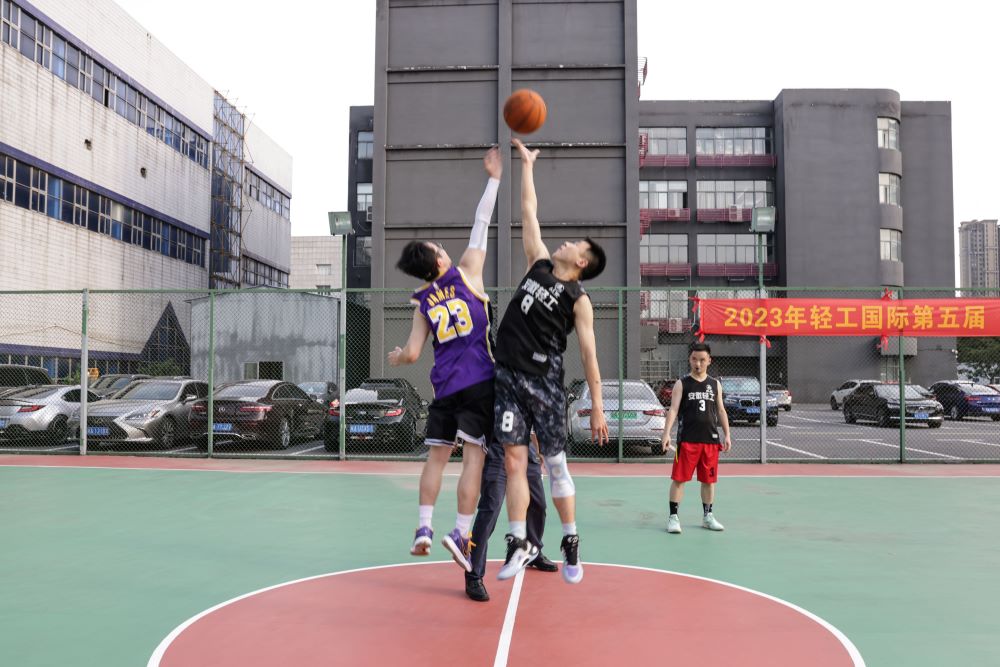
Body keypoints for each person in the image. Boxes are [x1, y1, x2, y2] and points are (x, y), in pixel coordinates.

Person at [494, 138, 609, 585]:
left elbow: (589, 355)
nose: (566, 240)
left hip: (544, 383)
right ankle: (519, 541)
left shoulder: (579, 300)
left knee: (555, 464)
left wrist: (597, 405)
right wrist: (527, 166)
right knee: (514, 462)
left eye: (575, 243)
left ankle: (571, 538)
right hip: (508, 377)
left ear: (580, 261)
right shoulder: (538, 264)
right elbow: (529, 211)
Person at [388, 147, 502, 572]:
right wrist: (494, 178)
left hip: (445, 387)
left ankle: (422, 528)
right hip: (479, 383)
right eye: (440, 246)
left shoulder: (422, 301)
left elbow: (414, 353)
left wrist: (398, 357)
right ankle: (460, 532)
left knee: (436, 459)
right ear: (439, 259)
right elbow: (481, 222)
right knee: (473, 458)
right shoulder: (468, 272)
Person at [464, 433, 557, 602]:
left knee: (538, 504)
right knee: (490, 510)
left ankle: (532, 551)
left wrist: (539, 447)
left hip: (525, 449)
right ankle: (473, 575)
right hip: (497, 450)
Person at [659, 341, 732, 534]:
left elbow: (721, 410)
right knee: (679, 479)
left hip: (710, 440)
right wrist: (666, 433)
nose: (697, 364)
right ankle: (673, 518)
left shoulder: (715, 384)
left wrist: (727, 434)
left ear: (709, 360)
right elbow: (673, 410)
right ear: (689, 359)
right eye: (694, 359)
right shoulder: (682, 384)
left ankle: (708, 516)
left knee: (708, 481)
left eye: (702, 360)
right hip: (687, 441)